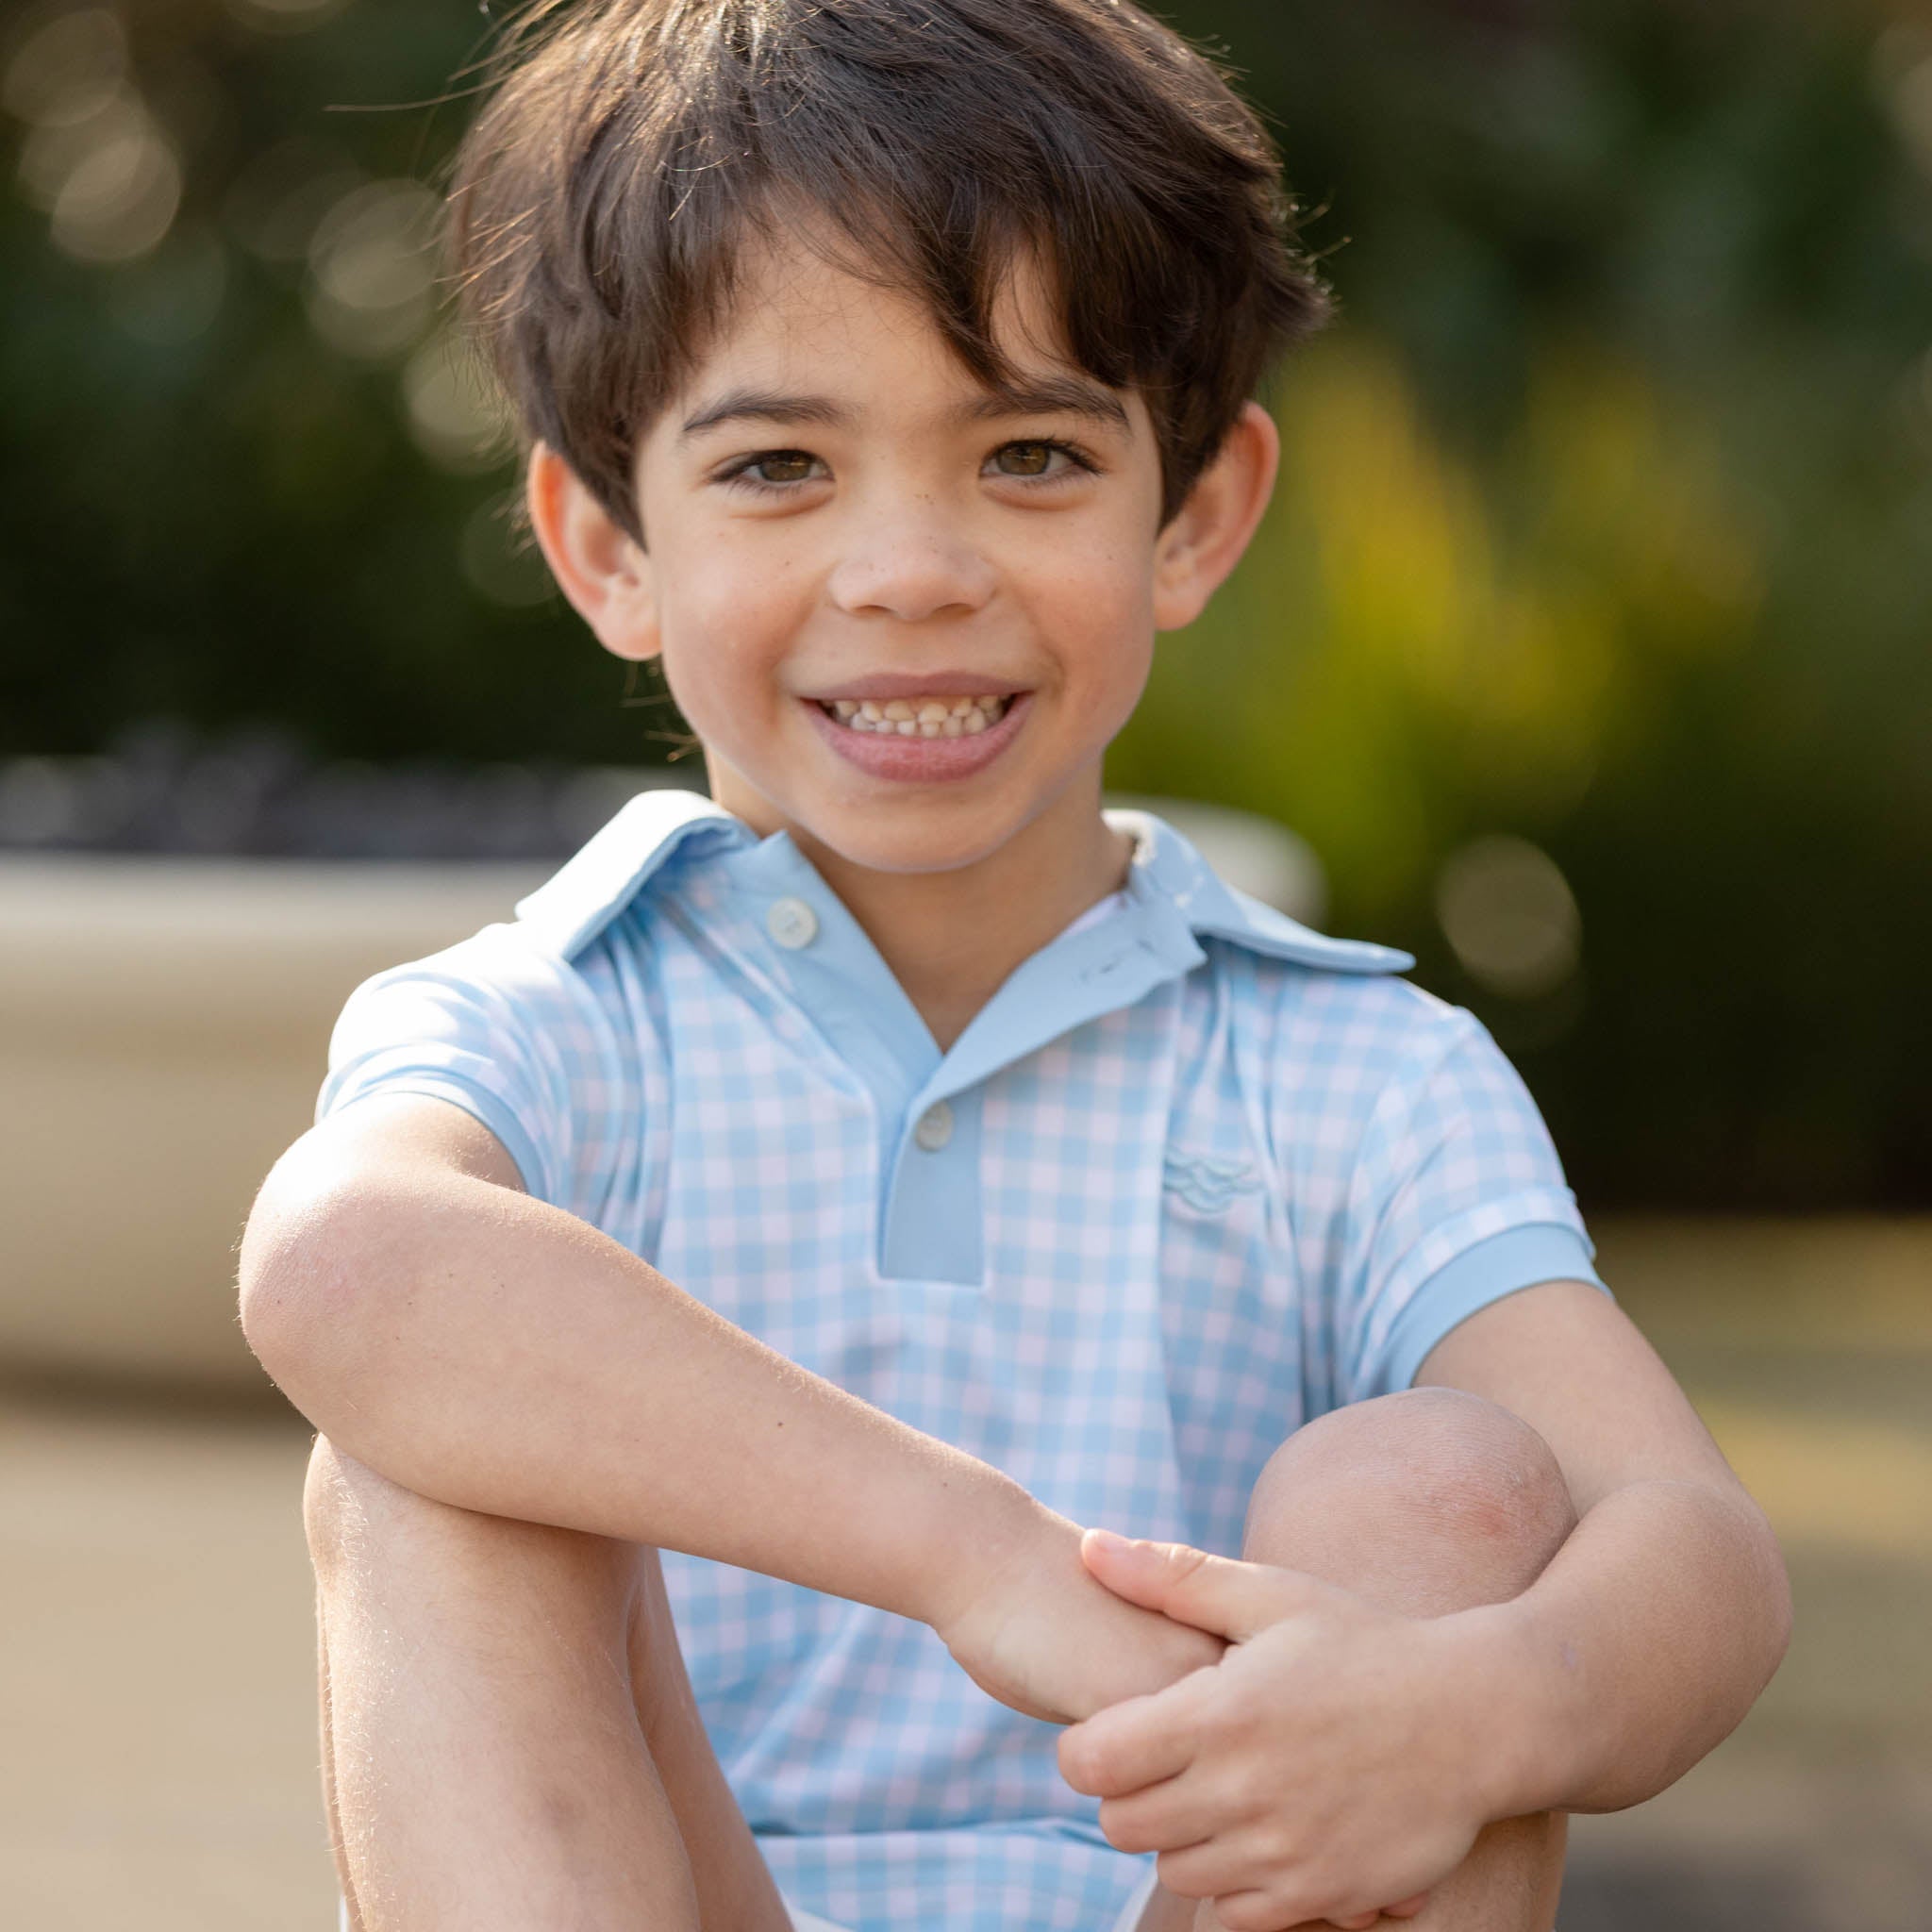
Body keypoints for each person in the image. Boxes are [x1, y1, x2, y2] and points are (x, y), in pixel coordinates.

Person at [236, 3, 1791, 1929]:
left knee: (1450, 1484)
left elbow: (1697, 1549)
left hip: (1210, 1886)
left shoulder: (1353, 1074)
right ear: (604, 544)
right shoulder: (557, 1025)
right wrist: (974, 1555)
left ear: (1195, 514)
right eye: (781, 468)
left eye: (1032, 453)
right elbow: (346, 1267)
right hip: (677, 1891)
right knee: (433, 1458)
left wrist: (1479, 1711)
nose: (911, 568)